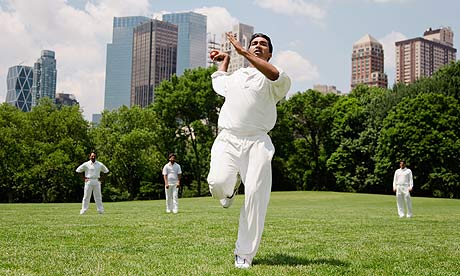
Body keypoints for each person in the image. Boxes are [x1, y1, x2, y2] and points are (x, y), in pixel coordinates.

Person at [207, 32, 291, 269]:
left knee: (255, 196)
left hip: (257, 142)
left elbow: (273, 74)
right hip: (228, 139)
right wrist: (224, 60)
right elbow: (219, 81)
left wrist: (242, 52)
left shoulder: (276, 79)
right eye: (254, 43)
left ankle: (244, 253)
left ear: (269, 53)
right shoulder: (236, 77)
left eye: (263, 44)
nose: (257, 46)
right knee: (217, 185)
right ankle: (230, 190)